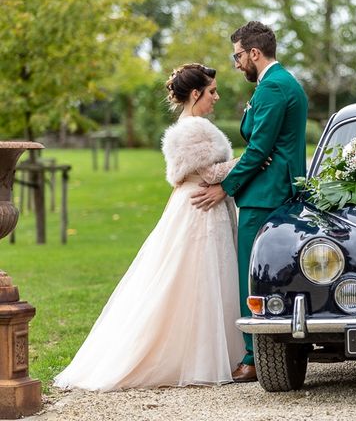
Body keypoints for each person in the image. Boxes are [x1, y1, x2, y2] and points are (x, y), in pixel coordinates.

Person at [53, 63, 244, 391]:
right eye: (212, 91)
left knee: (206, 279)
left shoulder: (190, 125)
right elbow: (210, 174)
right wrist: (252, 159)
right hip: (200, 207)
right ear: (196, 93)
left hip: (200, 204)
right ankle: (198, 356)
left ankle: (213, 351)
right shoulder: (192, 128)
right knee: (198, 278)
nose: (217, 97)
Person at [191, 21, 308, 383]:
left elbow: (259, 148)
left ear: (255, 53)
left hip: (267, 193)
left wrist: (226, 187)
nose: (237, 63)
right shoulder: (278, 83)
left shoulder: (273, 86)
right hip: (274, 187)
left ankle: (253, 356)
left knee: (252, 272)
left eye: (238, 55)